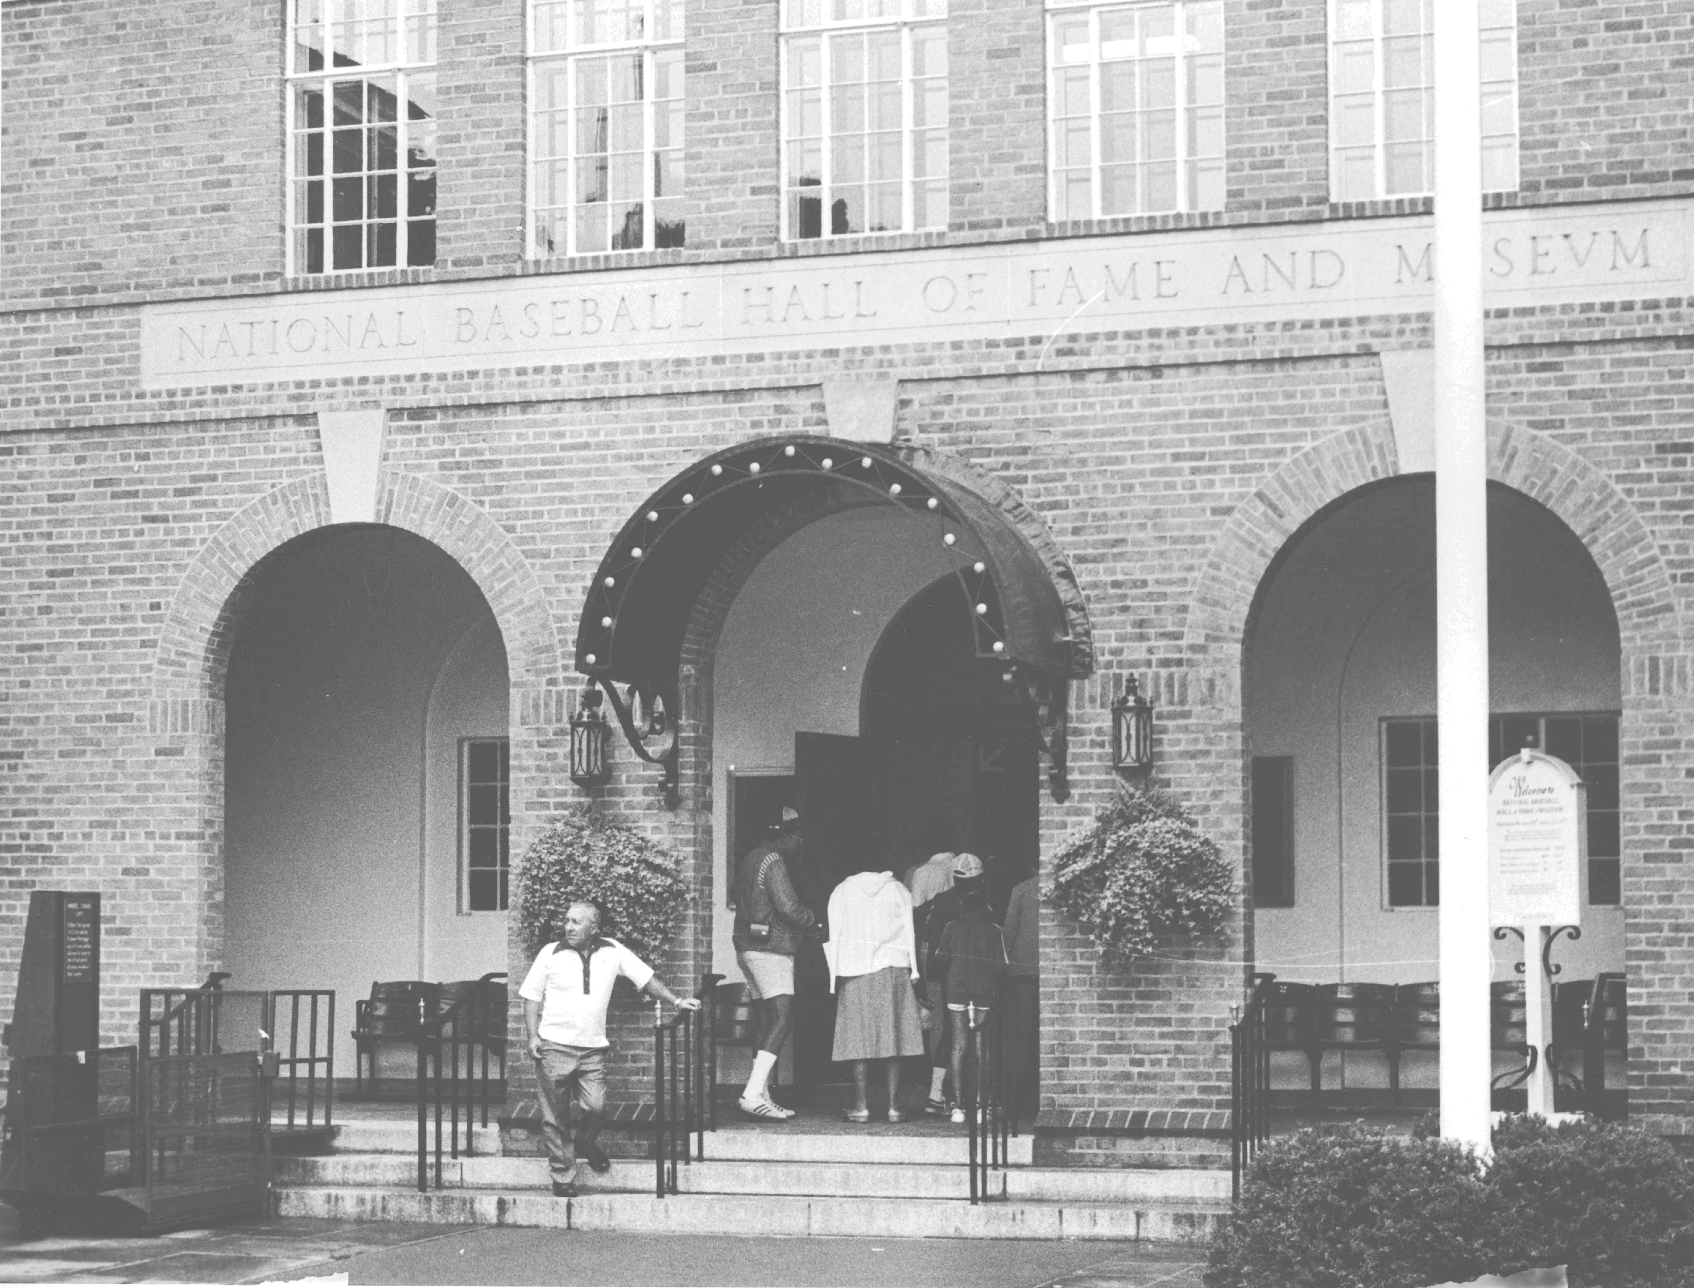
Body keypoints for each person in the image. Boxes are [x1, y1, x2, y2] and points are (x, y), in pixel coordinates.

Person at [520, 900, 700, 1197]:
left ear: (594, 927)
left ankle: (586, 1142)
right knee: (555, 1117)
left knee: (597, 1106)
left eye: (576, 922)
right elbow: (531, 997)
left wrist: (676, 1001)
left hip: (592, 1050)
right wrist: (532, 1037)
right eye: (567, 920)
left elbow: (645, 979)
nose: (568, 926)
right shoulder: (549, 953)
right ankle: (563, 1177)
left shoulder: (612, 950)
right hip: (553, 1047)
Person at [731, 804, 817, 1120]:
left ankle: (763, 1094)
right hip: (771, 950)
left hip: (747, 948)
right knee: (783, 1017)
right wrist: (813, 922)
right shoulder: (774, 861)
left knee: (766, 1019)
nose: (799, 842)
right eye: (796, 835)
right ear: (780, 835)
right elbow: (790, 907)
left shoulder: (751, 859)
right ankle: (753, 1093)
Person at [823, 860, 925, 1123]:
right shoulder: (898, 889)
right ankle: (893, 1106)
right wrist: (913, 968)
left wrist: (834, 973)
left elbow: (835, 931)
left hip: (855, 969)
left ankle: (861, 1105)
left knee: (857, 1039)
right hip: (893, 967)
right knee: (893, 1037)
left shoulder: (843, 890)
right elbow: (910, 929)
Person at [930, 865, 1009, 1124]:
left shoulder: (952, 927)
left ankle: (958, 1107)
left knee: (958, 1046)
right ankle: (982, 1106)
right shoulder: (994, 929)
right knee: (981, 1049)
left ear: (962, 903)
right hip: (985, 992)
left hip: (957, 991)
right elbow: (1002, 966)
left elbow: (940, 961)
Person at [917, 851, 985, 1115]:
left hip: (949, 976)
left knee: (951, 1035)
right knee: (981, 1034)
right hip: (980, 978)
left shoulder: (941, 902)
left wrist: (927, 978)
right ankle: (980, 1098)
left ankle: (938, 1095)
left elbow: (928, 940)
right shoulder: (986, 903)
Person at [1002, 864, 1040, 1116]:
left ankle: (1020, 1102)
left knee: (1023, 1037)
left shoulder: (1022, 890)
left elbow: (1008, 933)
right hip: (1053, 972)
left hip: (1024, 973)